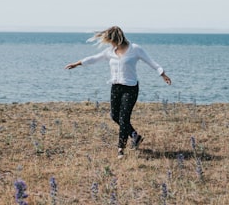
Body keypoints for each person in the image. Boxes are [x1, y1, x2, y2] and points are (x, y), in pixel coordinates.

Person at [65, 26, 172, 159]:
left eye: (111, 40)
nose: (110, 43)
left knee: (123, 117)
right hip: (116, 87)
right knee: (115, 115)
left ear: (117, 39)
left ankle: (120, 149)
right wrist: (77, 63)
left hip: (130, 87)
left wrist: (163, 74)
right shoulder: (110, 51)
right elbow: (94, 58)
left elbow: (151, 62)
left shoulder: (135, 49)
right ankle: (135, 136)